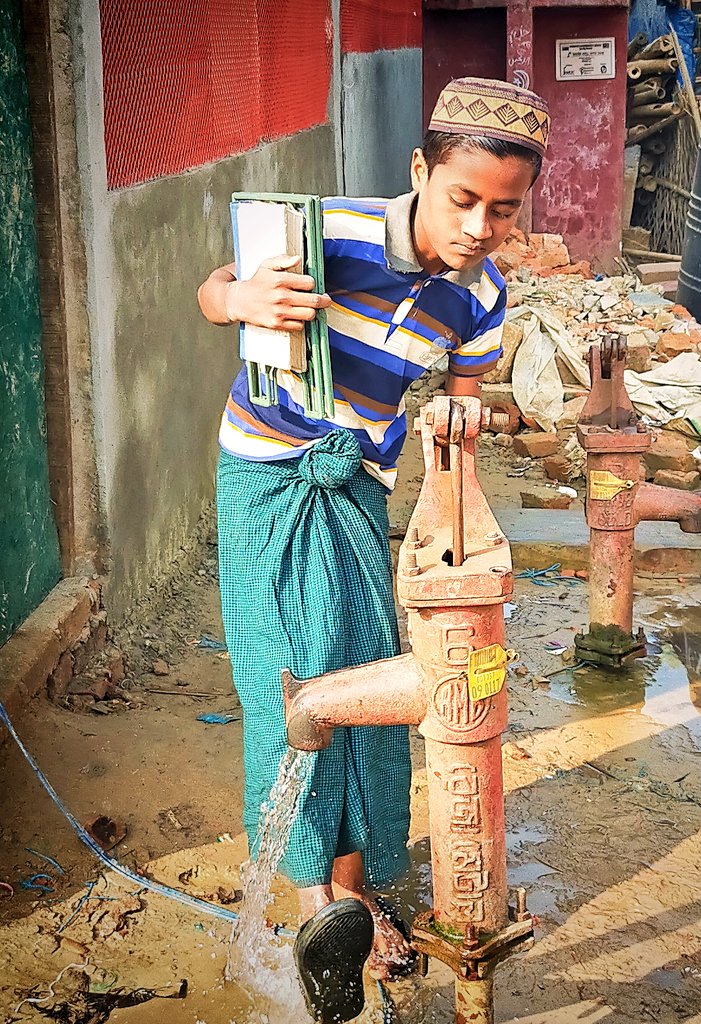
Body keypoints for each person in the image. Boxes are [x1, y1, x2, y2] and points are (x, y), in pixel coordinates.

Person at [197, 77, 549, 1022]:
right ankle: (314, 893)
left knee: (359, 671)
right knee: (285, 676)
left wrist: (460, 439)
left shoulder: (484, 297)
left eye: (504, 209)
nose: (479, 226)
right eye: (463, 198)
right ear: (420, 171)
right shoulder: (330, 233)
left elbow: (462, 408)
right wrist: (240, 299)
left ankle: (351, 896)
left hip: (360, 485)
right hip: (267, 477)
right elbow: (213, 290)